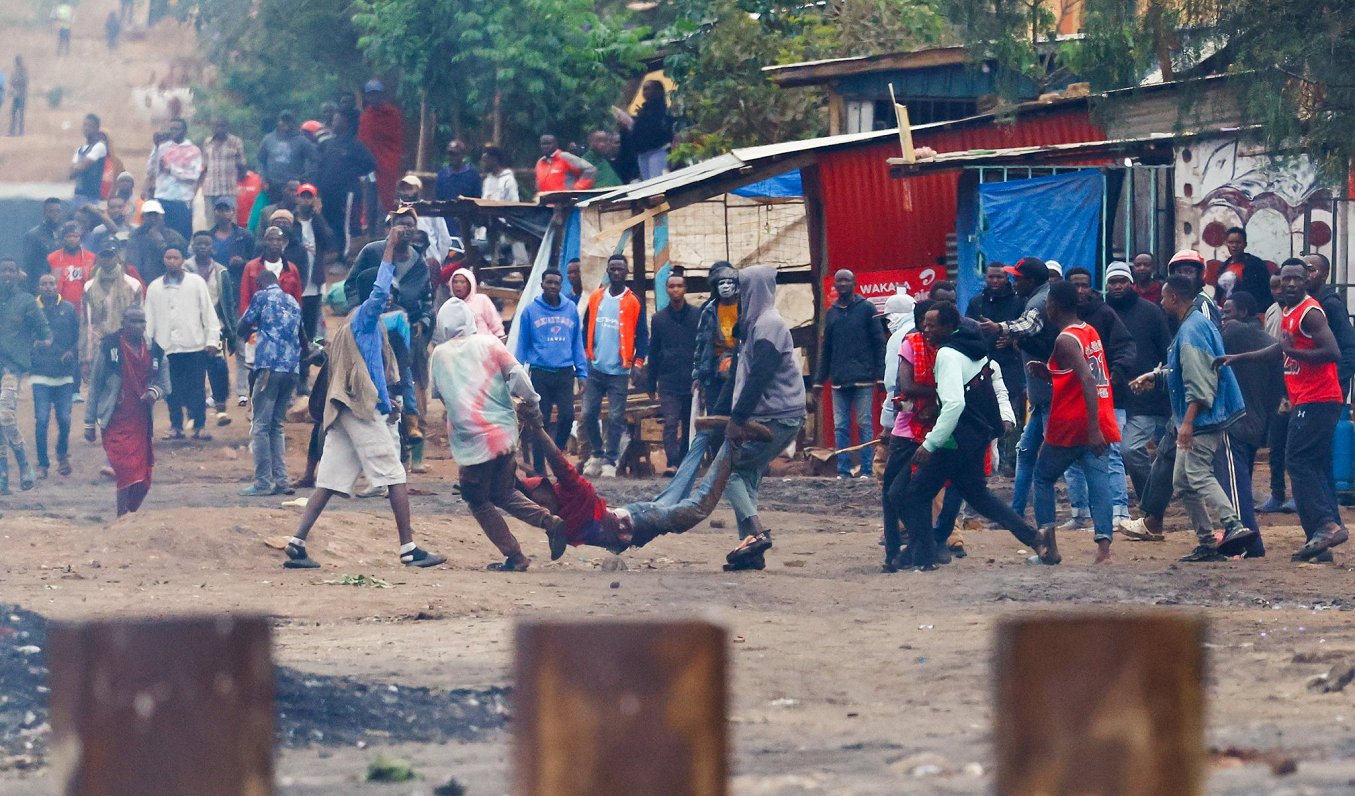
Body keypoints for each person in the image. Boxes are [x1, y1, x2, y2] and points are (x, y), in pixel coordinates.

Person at [280, 228, 445, 570]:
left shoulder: (351, 325)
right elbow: (381, 286)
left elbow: (369, 371)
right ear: (374, 294)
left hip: (346, 409)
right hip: (359, 409)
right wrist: (389, 248)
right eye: (384, 295)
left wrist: (388, 402)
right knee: (394, 473)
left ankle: (296, 543)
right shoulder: (366, 318)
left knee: (328, 481)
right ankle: (408, 548)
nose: (388, 298)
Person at [888, 300, 1053, 571]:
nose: (925, 330)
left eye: (931, 325)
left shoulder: (947, 354)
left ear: (948, 326)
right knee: (978, 496)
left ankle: (923, 555)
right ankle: (1035, 538)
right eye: (924, 324)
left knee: (912, 495)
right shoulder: (971, 348)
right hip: (976, 435)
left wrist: (931, 444)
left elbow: (954, 404)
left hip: (955, 438)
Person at [1217, 260, 1348, 560]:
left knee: (1298, 461)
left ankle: (1326, 526)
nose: (1290, 284)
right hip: (1306, 399)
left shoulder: (1310, 312)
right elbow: (1279, 350)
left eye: (1296, 279)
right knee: (1310, 465)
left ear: (1306, 281)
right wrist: (1239, 357)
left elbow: (1332, 352)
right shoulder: (1288, 312)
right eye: (1285, 279)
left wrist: (1293, 352)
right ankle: (1321, 540)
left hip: (1319, 399)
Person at [430, 298, 565, 570]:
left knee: (476, 498)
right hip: (503, 433)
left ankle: (515, 555)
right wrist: (532, 402)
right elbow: (518, 376)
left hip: (471, 440)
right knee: (503, 493)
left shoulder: (439, 356)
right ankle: (548, 521)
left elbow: (438, 394)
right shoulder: (489, 343)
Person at [1130, 274, 1253, 562]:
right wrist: (1157, 377)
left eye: (1163, 297)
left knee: (1196, 474)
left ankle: (1233, 524)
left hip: (1203, 419)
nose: (1160, 302)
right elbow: (1185, 371)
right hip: (1201, 416)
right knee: (1183, 482)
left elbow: (1199, 383)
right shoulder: (1194, 325)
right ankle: (1207, 542)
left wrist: (1187, 423)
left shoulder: (1191, 331)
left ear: (1174, 298)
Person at [1026, 282, 1120, 564]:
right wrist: (1051, 373)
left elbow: (1087, 379)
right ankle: (1104, 548)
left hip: (1072, 423)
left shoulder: (1065, 340)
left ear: (1052, 306)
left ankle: (1048, 548)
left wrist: (1090, 429)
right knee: (1098, 481)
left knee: (1042, 478)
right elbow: (1081, 375)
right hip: (1098, 417)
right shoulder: (1088, 331)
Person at [721, 266, 806, 571]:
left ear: (753, 290)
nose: (739, 296)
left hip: (777, 416)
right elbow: (740, 377)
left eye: (743, 290)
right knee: (748, 478)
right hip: (775, 415)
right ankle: (751, 553)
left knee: (728, 472)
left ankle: (757, 535)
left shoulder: (769, 324)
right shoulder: (757, 324)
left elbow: (760, 376)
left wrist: (737, 419)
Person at [976, 257, 1055, 517]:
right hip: (1042, 394)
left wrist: (1000, 328)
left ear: (1030, 280)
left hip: (1049, 394)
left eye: (1017, 277)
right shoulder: (1040, 297)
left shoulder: (1037, 301)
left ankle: (1063, 520)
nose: (1013, 281)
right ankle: (1016, 513)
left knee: (1063, 463)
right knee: (1025, 451)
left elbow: (1028, 325)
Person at [1062, 266, 1135, 530]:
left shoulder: (1104, 314)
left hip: (1107, 398)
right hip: (1071, 398)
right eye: (1075, 285)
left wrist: (1113, 376)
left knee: (1110, 453)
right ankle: (1080, 512)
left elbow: (1126, 347)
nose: (1080, 290)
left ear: (1091, 287)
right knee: (1072, 458)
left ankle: (1119, 512)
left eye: (1084, 285)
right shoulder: (1062, 316)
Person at [84, 306, 168, 515]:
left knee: (140, 475)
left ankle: (126, 514)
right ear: (123, 323)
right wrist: (88, 422)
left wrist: (153, 392)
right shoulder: (109, 347)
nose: (139, 326)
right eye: (134, 322)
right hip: (114, 416)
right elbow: (95, 384)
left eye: (142, 322)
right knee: (125, 467)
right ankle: (120, 514)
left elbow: (165, 384)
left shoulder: (154, 350)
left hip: (140, 419)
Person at [1102, 260, 1171, 503]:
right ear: (1107, 284)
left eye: (1122, 281)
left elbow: (1166, 350)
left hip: (1146, 396)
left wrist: (1160, 381)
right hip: (1112, 394)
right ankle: (1148, 502)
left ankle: (1151, 501)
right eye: (1113, 281)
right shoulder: (1101, 313)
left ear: (1131, 283)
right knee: (1114, 453)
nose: (1118, 286)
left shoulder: (1151, 312)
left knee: (1130, 451)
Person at [579, 255, 648, 477]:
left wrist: (638, 363)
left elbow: (643, 337)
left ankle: (611, 458)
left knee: (616, 416)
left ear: (626, 272)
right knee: (588, 413)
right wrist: (585, 355)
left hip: (619, 370)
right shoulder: (596, 297)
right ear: (607, 272)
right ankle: (597, 453)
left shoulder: (634, 302)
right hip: (595, 368)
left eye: (620, 269)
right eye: (612, 269)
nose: (616, 272)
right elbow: (585, 327)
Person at [514, 268, 587, 476]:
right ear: (542, 285)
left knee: (567, 416)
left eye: (556, 283)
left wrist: (582, 373)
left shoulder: (570, 309)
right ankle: (539, 469)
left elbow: (576, 344)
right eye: (549, 283)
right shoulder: (530, 311)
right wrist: (516, 374)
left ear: (561, 285)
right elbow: (522, 344)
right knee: (540, 421)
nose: (553, 287)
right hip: (540, 373)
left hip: (565, 372)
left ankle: (557, 453)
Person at [814, 269, 886, 479]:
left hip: (863, 379)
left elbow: (878, 344)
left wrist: (880, 375)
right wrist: (819, 380)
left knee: (864, 424)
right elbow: (826, 349)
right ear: (834, 286)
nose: (842, 284)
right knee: (841, 427)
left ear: (854, 283)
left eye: (846, 280)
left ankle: (866, 470)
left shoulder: (866, 309)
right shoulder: (831, 313)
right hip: (838, 380)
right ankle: (843, 471)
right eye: (839, 281)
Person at [236, 269, 302, 496]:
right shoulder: (292, 301)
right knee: (277, 425)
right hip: (291, 368)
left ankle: (262, 482)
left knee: (261, 426)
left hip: (269, 367)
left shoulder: (262, 297)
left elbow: (241, 327)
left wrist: (254, 328)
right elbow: (302, 336)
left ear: (259, 284)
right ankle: (282, 481)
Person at [144, 246, 220, 441]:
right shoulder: (154, 287)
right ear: (163, 260)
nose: (172, 261)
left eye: (175, 257)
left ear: (182, 260)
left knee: (196, 388)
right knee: (171, 390)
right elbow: (149, 319)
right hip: (166, 347)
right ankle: (175, 426)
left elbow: (208, 313)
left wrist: (212, 340)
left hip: (193, 345)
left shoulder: (196, 283)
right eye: (168, 257)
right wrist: (148, 345)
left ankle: (199, 426)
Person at [966, 263, 1025, 473]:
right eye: (991, 277)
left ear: (1006, 279)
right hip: (981, 366)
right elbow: (967, 329)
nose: (995, 281)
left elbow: (1026, 328)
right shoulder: (977, 302)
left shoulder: (1019, 301)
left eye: (999, 277)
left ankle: (1011, 460)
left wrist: (1011, 339)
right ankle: (989, 461)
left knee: (1011, 414)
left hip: (1011, 366)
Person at [0, 257, 52, 493]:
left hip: (12, 368)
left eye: (11, 270)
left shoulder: (26, 301)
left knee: (5, 416)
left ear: (17, 273)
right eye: (3, 271)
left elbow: (45, 333)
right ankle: (3, 478)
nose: (7, 275)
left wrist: (32, 345)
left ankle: (24, 463)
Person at [648, 270, 700, 473]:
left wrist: (701, 376)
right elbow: (653, 351)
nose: (676, 289)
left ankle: (685, 462)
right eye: (671, 286)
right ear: (667, 290)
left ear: (685, 289)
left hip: (691, 380)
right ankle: (672, 462)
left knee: (689, 423)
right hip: (668, 380)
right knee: (670, 422)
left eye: (679, 286)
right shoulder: (659, 319)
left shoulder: (697, 316)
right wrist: (651, 383)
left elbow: (702, 347)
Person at [31, 273, 80, 479]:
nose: (49, 287)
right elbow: (22, 337)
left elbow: (79, 336)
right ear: (39, 287)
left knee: (64, 418)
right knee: (41, 420)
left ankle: (62, 455)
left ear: (57, 286)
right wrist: (33, 347)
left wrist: (72, 352)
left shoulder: (68, 309)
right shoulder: (31, 310)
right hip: (39, 374)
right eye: (44, 284)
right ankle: (43, 464)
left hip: (64, 375)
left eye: (51, 283)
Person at [187, 231, 237, 425]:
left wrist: (231, 332)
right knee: (193, 372)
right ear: (192, 246)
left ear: (212, 248)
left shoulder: (221, 272)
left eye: (206, 244)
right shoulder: (185, 269)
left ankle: (221, 409)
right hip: (190, 327)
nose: (202, 247)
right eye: (198, 243)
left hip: (215, 327)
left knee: (217, 368)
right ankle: (193, 414)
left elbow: (228, 303)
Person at [315, 110, 375, 258]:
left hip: (346, 192)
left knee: (344, 225)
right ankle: (330, 252)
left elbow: (370, 164)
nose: (333, 123)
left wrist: (350, 174)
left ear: (345, 123)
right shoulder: (329, 144)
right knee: (329, 221)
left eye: (336, 119)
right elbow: (321, 165)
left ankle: (342, 257)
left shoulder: (355, 145)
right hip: (327, 192)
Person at [692, 261, 740, 414]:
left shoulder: (744, 308)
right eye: (721, 283)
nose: (725, 287)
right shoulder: (709, 310)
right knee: (715, 415)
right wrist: (697, 376)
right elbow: (701, 344)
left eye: (729, 282)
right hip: (713, 372)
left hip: (739, 368)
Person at [1303, 252, 1355, 390]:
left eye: (1311, 270)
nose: (1305, 275)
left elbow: (1350, 349)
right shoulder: (1303, 305)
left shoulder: (1332, 305)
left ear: (1325, 275)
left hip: (1329, 391)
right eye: (1302, 270)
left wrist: (1333, 381)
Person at [144, 118, 202, 241]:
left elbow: (194, 175)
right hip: (162, 198)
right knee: (160, 234)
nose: (173, 131)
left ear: (184, 131)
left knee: (181, 236)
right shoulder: (163, 147)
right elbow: (151, 169)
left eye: (177, 129)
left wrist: (172, 170)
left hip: (182, 200)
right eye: (171, 129)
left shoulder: (194, 150)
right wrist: (156, 146)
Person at [358, 79, 405, 216]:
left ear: (382, 95)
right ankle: (370, 231)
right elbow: (363, 140)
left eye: (376, 94)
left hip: (388, 162)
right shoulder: (365, 116)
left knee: (389, 196)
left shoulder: (392, 114)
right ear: (366, 97)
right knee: (369, 199)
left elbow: (397, 139)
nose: (373, 98)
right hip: (368, 165)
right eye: (370, 95)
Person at [618, 80, 675, 181]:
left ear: (658, 90)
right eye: (644, 89)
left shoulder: (663, 111)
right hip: (642, 153)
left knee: (657, 182)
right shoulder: (643, 112)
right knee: (647, 183)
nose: (645, 92)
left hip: (658, 150)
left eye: (648, 89)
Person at [238, 226, 304, 311]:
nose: (275, 243)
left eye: (278, 240)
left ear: (284, 243)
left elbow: (297, 300)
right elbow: (245, 298)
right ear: (264, 241)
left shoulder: (292, 269)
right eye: (270, 239)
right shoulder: (251, 267)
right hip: (258, 321)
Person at [396, 174, 454, 268]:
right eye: (403, 189)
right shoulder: (395, 214)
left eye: (409, 189)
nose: (406, 192)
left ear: (418, 190)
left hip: (430, 262)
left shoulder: (431, 210)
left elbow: (445, 239)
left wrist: (438, 260)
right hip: (405, 265)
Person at [124, 200, 187, 285]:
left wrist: (158, 240)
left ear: (162, 217)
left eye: (156, 216)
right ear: (143, 218)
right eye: (149, 216)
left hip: (168, 281)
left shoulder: (173, 236)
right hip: (141, 282)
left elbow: (177, 258)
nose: (152, 219)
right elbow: (132, 263)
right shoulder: (135, 237)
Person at [257, 111, 317, 189]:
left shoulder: (302, 141)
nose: (283, 123)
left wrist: (303, 179)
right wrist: (264, 178)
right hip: (271, 186)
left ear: (293, 122)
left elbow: (315, 161)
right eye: (281, 120)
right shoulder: (268, 139)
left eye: (287, 120)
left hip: (293, 188)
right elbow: (260, 160)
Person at [1218, 227, 1272, 312]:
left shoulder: (1255, 265)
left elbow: (1264, 293)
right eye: (1231, 242)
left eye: (1238, 242)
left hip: (1247, 314)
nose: (1234, 246)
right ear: (1226, 244)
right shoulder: (1223, 267)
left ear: (1245, 244)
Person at [48, 222, 95, 315]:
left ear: (81, 239)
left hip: (86, 308)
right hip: (59, 308)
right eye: (68, 236)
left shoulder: (91, 258)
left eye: (75, 236)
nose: (72, 239)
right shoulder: (52, 258)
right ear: (63, 239)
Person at [201, 119, 247, 213]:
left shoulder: (236, 142)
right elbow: (204, 166)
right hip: (210, 190)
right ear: (213, 128)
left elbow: (242, 165)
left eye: (223, 126)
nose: (220, 129)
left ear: (227, 127)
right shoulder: (207, 142)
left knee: (230, 220)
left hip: (229, 190)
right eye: (217, 126)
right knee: (211, 223)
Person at [22, 197, 63, 294]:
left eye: (58, 211)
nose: (55, 214)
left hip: (61, 286)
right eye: (51, 211)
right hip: (41, 287)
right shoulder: (33, 235)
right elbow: (28, 266)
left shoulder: (64, 233)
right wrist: (35, 288)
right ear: (44, 213)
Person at [70, 114, 109, 207]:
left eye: (90, 125)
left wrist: (77, 168)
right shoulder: (80, 149)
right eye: (85, 125)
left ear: (97, 128)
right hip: (78, 195)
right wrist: (76, 168)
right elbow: (71, 173)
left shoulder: (100, 146)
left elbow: (80, 168)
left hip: (91, 197)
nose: (86, 128)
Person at [9, 55, 27, 137]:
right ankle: (12, 131)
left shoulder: (23, 70)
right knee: (13, 113)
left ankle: (21, 132)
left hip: (21, 95)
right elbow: (11, 81)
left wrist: (15, 81)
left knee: (21, 114)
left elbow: (24, 81)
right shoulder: (16, 71)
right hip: (16, 95)